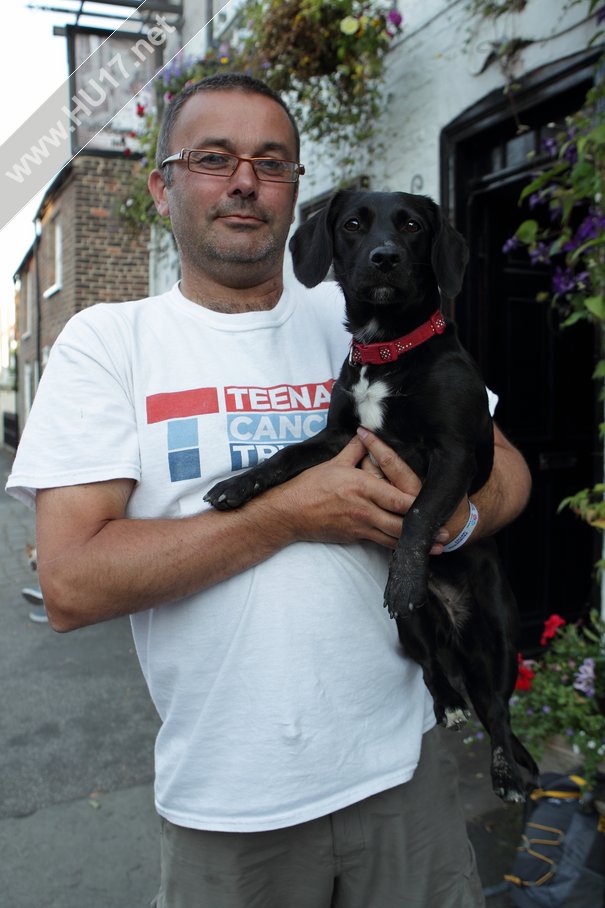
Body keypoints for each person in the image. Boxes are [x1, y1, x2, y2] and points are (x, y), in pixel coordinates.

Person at [6, 73, 531, 908]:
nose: (244, 180)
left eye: (271, 162)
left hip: (403, 776)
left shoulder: (366, 317)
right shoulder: (109, 343)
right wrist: (286, 516)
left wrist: (453, 522)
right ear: (162, 184)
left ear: (294, 195)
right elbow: (71, 583)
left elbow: (504, 469)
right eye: (213, 158)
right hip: (232, 806)